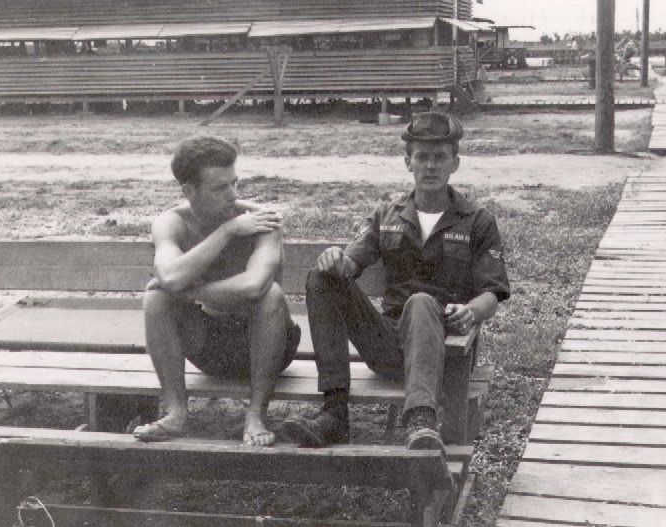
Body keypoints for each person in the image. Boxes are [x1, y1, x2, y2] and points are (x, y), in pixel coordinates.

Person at [282, 111, 510, 452]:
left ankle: (421, 420)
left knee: (420, 301)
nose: (430, 166)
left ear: (455, 163)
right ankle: (334, 413)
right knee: (321, 277)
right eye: (422, 157)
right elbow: (352, 261)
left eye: (439, 158)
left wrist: (472, 311)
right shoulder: (386, 215)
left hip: (445, 347)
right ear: (408, 162)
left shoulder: (477, 220)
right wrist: (336, 259)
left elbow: (492, 292)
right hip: (387, 344)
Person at [132, 137, 300, 446]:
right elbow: (170, 276)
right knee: (155, 299)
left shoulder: (264, 219)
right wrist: (227, 231)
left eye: (235, 183)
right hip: (211, 348)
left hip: (270, 344)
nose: (233, 195)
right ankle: (176, 412)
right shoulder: (171, 223)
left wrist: (187, 292)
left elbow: (254, 286)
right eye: (220, 188)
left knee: (272, 295)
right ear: (189, 191)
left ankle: (256, 415)